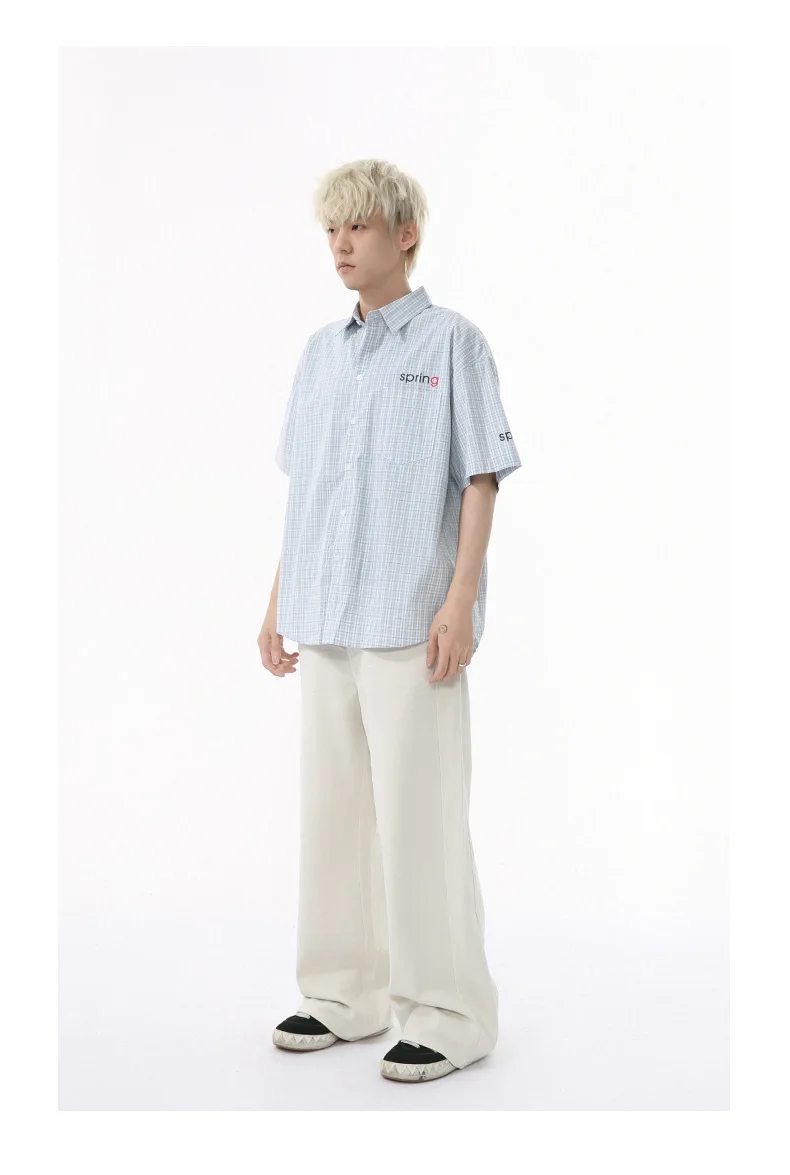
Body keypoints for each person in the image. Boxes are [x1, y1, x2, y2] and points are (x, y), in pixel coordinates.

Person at [258, 159, 522, 1083]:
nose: (340, 244)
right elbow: (310, 489)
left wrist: (460, 598)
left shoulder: (454, 343)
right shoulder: (319, 355)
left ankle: (451, 1012)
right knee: (332, 814)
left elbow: (480, 477)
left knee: (422, 819)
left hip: (413, 622)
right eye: (331, 228)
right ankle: (344, 992)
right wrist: (279, 600)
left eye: (358, 226)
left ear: (404, 234)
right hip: (327, 615)